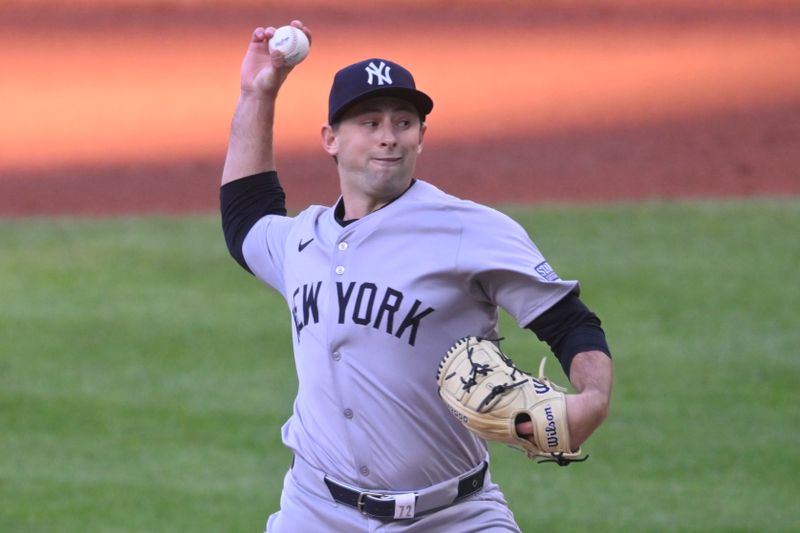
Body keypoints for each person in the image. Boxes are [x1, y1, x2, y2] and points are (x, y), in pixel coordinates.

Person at [220, 20, 613, 533]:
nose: (388, 138)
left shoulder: (469, 229)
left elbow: (567, 322)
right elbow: (245, 217)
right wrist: (257, 91)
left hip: (455, 515)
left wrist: (593, 399)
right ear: (330, 139)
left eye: (403, 123)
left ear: (422, 136)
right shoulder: (301, 239)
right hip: (314, 512)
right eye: (369, 122)